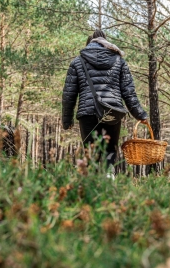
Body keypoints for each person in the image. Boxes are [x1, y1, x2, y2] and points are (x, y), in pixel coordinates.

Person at [62, 29, 148, 171]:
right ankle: (110, 180)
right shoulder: (119, 60)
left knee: (90, 152)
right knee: (110, 151)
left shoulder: (77, 62)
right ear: (106, 42)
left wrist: (67, 120)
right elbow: (129, 92)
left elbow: (68, 94)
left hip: (87, 112)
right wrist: (140, 115)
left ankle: (92, 184)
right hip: (112, 111)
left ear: (90, 42)